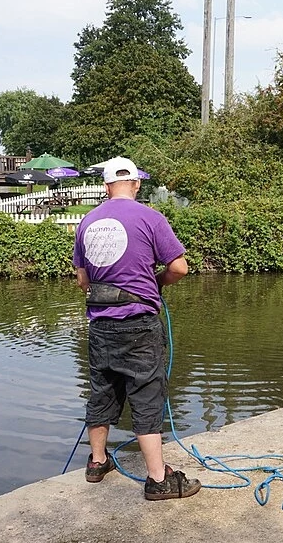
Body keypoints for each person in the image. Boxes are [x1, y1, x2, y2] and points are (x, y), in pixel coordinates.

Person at [72, 156, 201, 500]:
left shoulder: (87, 222)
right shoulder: (151, 218)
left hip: (101, 325)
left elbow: (82, 279)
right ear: (137, 184)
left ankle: (97, 462)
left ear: (105, 186)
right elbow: (180, 267)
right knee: (146, 395)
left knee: (102, 391)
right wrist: (156, 282)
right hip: (139, 325)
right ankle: (158, 479)